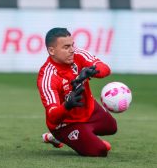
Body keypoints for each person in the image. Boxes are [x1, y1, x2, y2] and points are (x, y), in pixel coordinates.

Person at [37, 27, 117, 157]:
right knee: (101, 150)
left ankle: (83, 137)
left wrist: (93, 70)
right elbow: (52, 115)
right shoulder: (47, 76)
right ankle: (60, 136)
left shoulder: (78, 54)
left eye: (72, 45)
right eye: (66, 47)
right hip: (66, 124)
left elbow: (106, 69)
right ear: (52, 51)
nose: (72, 50)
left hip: (89, 109)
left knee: (112, 127)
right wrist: (67, 105)